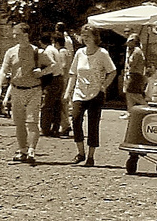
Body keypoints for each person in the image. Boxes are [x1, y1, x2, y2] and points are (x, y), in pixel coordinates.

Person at [63, 32, 117, 167]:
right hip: (79, 93)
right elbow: (73, 73)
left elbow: (113, 71)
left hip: (96, 93)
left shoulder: (102, 53)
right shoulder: (79, 53)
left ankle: (91, 156)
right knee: (75, 120)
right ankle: (80, 153)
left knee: (93, 124)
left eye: (88, 36)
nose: (85, 38)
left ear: (95, 38)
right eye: (84, 36)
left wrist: (104, 86)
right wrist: (68, 92)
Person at [0, 34, 48, 164]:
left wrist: (42, 72)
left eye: (18, 34)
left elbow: (54, 67)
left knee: (32, 122)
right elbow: (3, 70)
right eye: (14, 34)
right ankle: (22, 150)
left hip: (33, 90)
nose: (15, 36)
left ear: (26, 35)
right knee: (19, 123)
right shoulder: (11, 52)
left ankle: (31, 150)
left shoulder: (37, 52)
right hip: (16, 90)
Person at [40, 28, 69, 138]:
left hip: (53, 80)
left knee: (47, 106)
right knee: (56, 106)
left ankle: (45, 128)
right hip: (59, 79)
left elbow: (52, 66)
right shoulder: (54, 49)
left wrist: (42, 73)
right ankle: (55, 128)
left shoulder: (48, 51)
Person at [122, 37, 147, 109]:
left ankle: (146, 107)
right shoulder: (133, 51)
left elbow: (132, 64)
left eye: (130, 41)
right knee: (129, 94)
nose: (127, 43)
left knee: (134, 94)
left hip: (135, 75)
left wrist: (128, 73)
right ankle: (130, 112)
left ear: (134, 42)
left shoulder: (137, 51)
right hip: (133, 75)